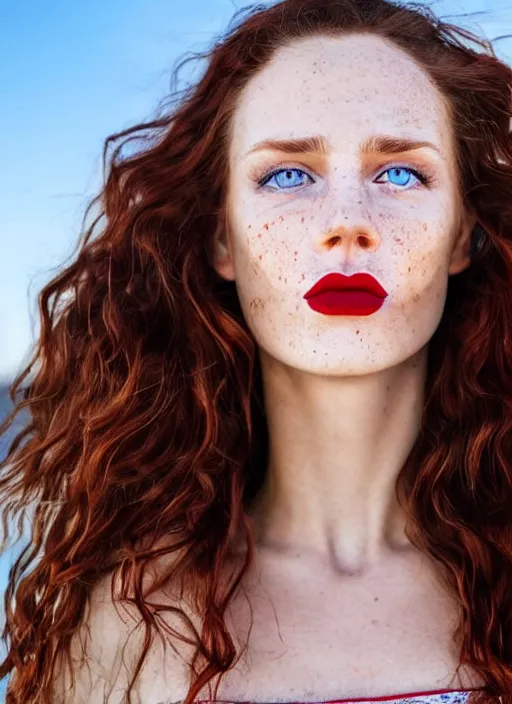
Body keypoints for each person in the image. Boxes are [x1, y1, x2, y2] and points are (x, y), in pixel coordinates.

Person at [0, 0, 511, 701]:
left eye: (399, 173)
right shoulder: (133, 620)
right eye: (286, 175)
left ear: (462, 234)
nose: (346, 224)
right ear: (221, 240)